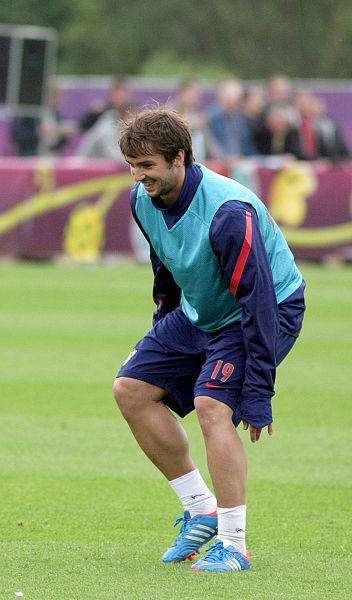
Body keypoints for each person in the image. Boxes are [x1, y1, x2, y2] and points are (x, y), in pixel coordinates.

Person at [114, 108, 305, 572]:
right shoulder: (142, 201)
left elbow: (257, 301)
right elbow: (167, 271)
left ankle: (234, 544)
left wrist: (258, 393)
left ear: (179, 157)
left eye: (148, 166)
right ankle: (200, 510)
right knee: (131, 390)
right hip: (201, 309)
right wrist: (162, 328)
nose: (139, 178)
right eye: (132, 167)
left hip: (261, 311)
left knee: (212, 406)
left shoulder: (227, 213)